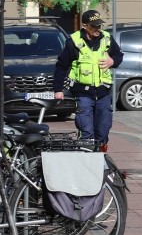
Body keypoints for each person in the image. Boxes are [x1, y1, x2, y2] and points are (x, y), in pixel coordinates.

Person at [53, 10, 123, 151]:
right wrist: (58, 90)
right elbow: (61, 66)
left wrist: (113, 61)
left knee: (103, 129)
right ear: (85, 26)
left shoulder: (107, 39)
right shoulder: (74, 42)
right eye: (94, 26)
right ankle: (86, 159)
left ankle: (101, 160)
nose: (98, 29)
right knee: (87, 132)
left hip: (103, 92)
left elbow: (118, 55)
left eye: (99, 26)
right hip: (83, 93)